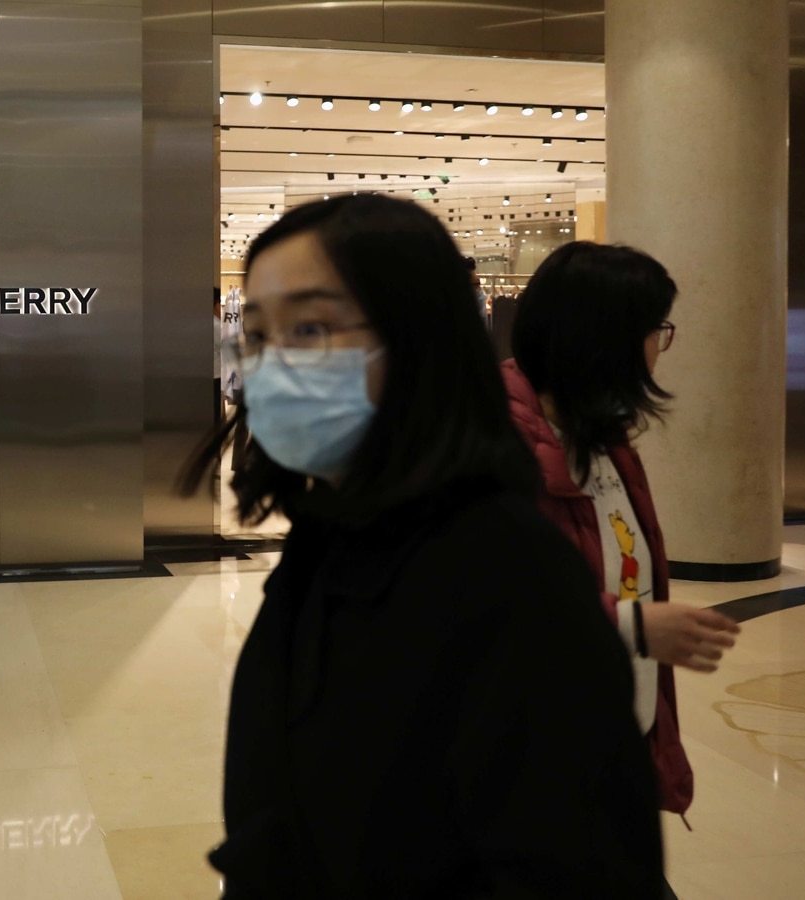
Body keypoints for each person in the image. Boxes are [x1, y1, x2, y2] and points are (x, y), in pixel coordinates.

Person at [182, 195, 664, 896]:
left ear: (419, 341)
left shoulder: (505, 575)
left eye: (311, 327)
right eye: (257, 335)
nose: (273, 364)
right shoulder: (332, 537)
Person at [503, 242, 742, 890]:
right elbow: (492, 604)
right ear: (604, 337)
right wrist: (632, 628)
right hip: (531, 770)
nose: (663, 346)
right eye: (657, 330)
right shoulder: (493, 447)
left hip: (612, 746)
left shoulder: (601, 437)